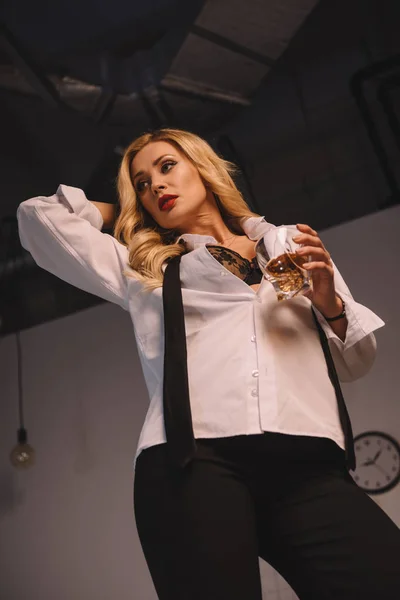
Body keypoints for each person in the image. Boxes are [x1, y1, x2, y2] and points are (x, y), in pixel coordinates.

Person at [17, 128, 400, 599]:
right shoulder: (142, 268)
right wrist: (123, 212)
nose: (154, 185)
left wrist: (329, 301)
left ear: (203, 167)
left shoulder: (290, 244)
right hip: (191, 463)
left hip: (306, 461)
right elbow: (36, 219)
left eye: (166, 166)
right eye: (140, 183)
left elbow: (356, 361)